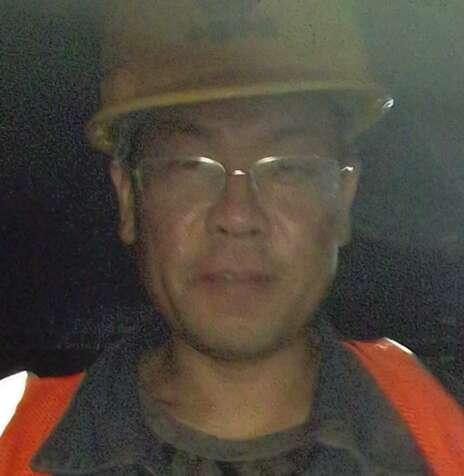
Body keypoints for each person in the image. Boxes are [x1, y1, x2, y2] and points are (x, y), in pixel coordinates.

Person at [1, 1, 463, 474]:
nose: (238, 216)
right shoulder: (12, 437)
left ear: (343, 199)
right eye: (189, 166)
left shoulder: (447, 427)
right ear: (128, 197)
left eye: (288, 169)